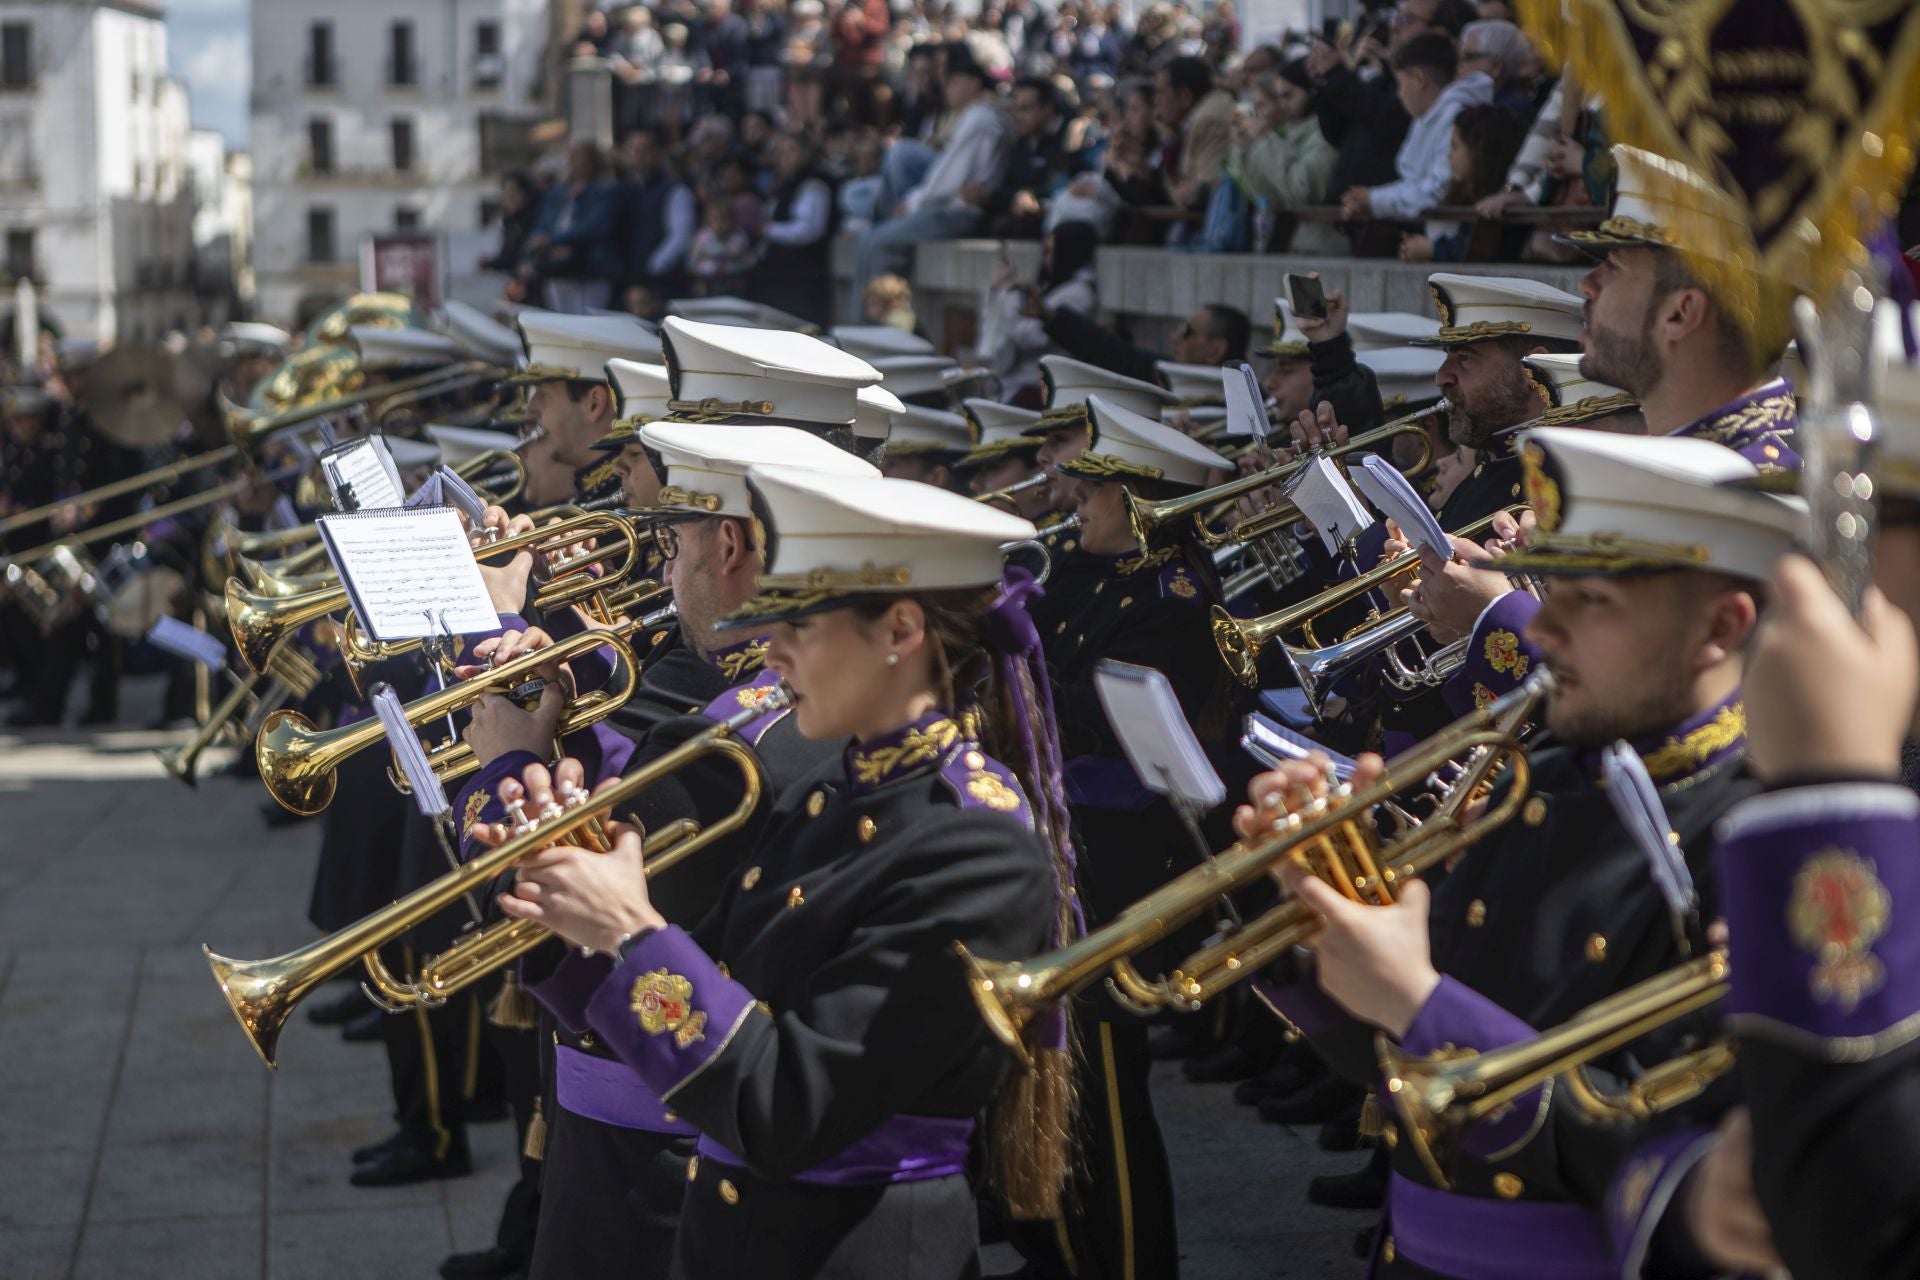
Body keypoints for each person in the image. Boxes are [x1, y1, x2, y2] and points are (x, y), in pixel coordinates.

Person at [1243, 428, 1806, 1278]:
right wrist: (1314, 913)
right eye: (1553, 590)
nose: (1546, 633)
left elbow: (1677, 1162)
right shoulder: (1536, 772)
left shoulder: (1765, 837)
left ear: (1720, 628)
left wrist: (1421, 1004)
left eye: (1594, 602)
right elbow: (1397, 1058)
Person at [492, 467, 1075, 1279]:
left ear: (900, 631)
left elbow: (787, 1105)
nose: (771, 648)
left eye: (800, 622)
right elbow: (721, 989)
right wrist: (568, 901)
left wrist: (629, 928)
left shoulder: (975, 842)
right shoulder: (833, 792)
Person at [1012, 394, 1239, 1280]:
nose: (1075, 495)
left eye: (1097, 488)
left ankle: (1133, 1261)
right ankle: (1059, 1247)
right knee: (1053, 1080)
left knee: (1104, 1087)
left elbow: (1096, 719)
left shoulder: (1174, 599)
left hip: (1123, 863)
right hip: (1070, 841)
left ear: (1142, 507)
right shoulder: (1088, 570)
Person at [852, 45, 1013, 307]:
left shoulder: (980, 116)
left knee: (877, 243)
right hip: (943, 204)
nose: (946, 88)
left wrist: (913, 204)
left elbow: (951, 176)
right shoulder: (972, 115)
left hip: (958, 210)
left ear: (973, 83)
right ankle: (862, 328)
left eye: (954, 82)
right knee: (867, 235)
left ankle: (877, 330)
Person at [1339, 35, 1494, 249]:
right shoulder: (1429, 116)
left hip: (1457, 241)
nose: (1399, 94)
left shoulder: (1456, 116)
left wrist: (1374, 200)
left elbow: (1437, 190)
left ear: (1419, 79)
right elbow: (1414, 182)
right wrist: (1370, 200)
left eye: (1401, 83)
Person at [1227, 61, 1345, 256]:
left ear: (1311, 91)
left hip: (1324, 247)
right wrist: (1244, 147)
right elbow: (1265, 197)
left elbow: (1300, 191)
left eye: (1288, 96)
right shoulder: (1289, 135)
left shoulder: (1326, 135)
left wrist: (1265, 139)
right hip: (1298, 245)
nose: (1282, 104)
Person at [979, 220, 1099, 401]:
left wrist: (1012, 294)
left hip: (1041, 387)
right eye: (1046, 251)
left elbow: (1030, 337)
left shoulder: (1078, 294)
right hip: (1018, 382)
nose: (1047, 258)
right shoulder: (1054, 286)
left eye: (1052, 251)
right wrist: (998, 289)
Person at [1397, 103, 1527, 263]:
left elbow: (1478, 252)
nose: (1449, 156)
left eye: (1455, 147)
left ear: (1478, 150)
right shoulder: (1465, 193)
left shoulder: (1501, 201)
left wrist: (1432, 249)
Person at [523, 142, 625, 313]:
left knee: (588, 322)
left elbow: (595, 226)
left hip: (590, 268)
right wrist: (539, 242)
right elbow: (544, 223)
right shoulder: (558, 192)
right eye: (570, 157)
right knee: (562, 322)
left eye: (578, 157)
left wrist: (553, 241)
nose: (573, 162)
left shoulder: (606, 190)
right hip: (557, 269)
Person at [751, 131, 836, 326]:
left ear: (805, 152)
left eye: (791, 150)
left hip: (801, 276)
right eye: (780, 152)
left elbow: (809, 230)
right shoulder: (782, 185)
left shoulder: (814, 184)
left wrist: (768, 230)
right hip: (779, 276)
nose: (785, 157)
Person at [1154, 55, 1236, 221]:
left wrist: (1183, 191)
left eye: (1162, 92)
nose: (1156, 101)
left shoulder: (1208, 119)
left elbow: (1195, 193)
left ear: (1185, 97)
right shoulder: (1194, 118)